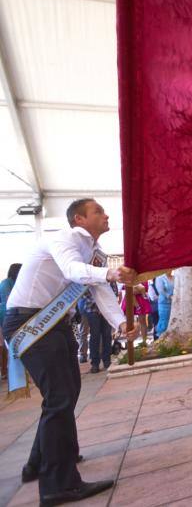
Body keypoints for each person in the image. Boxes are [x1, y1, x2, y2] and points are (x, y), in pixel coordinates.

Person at [2, 198, 138, 505]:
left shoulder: (93, 252)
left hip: (55, 325)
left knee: (65, 394)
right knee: (60, 398)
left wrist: (119, 325)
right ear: (79, 219)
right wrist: (110, 274)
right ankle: (57, 485)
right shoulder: (62, 239)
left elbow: (100, 291)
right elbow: (73, 270)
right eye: (98, 211)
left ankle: (40, 462)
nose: (106, 215)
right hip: (31, 321)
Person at [77, 290, 114, 373]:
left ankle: (107, 360)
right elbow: (84, 293)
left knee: (107, 334)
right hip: (91, 309)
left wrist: (105, 305)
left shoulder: (107, 277)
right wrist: (99, 304)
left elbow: (112, 290)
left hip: (107, 308)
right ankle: (95, 363)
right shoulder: (87, 277)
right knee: (95, 335)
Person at [0, 263, 21, 380]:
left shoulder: (15, 282)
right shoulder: (6, 283)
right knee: (8, 345)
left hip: (14, 315)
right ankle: (9, 371)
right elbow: (9, 300)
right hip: (7, 316)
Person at [154, 270, 174, 339]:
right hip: (164, 303)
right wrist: (169, 296)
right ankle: (161, 338)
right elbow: (160, 290)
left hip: (174, 304)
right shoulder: (160, 278)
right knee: (164, 320)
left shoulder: (174, 277)